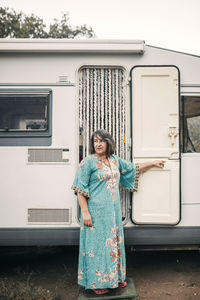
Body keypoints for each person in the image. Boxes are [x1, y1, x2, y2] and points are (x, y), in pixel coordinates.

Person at [72, 129, 165, 295]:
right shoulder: (88, 162)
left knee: (113, 244)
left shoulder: (114, 160)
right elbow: (80, 188)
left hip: (112, 213)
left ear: (108, 143)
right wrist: (85, 212)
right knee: (98, 247)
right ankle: (97, 282)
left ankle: (115, 278)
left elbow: (131, 169)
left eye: (101, 141)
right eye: (95, 141)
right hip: (95, 212)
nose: (98, 144)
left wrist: (152, 163)